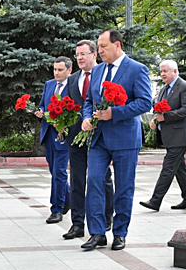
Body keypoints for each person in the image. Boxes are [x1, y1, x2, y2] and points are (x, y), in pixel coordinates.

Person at [81, 29, 152, 251]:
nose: (99, 51)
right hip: (98, 138)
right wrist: (86, 118)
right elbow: (89, 101)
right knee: (93, 182)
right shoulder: (98, 70)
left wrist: (115, 113)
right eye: (98, 47)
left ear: (117, 45)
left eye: (103, 47)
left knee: (123, 188)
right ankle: (97, 232)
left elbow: (144, 103)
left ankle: (120, 233)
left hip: (125, 139)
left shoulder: (136, 69)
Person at [63, 40, 114, 240]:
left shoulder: (104, 75)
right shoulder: (73, 78)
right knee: (76, 180)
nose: (80, 58)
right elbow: (69, 105)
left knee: (102, 179)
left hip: (100, 136)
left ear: (94, 55)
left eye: (84, 54)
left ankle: (106, 217)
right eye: (77, 55)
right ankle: (77, 224)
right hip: (76, 137)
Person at [140, 60, 186, 211]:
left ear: (175, 71)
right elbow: (160, 110)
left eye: (166, 71)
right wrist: (155, 120)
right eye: (161, 71)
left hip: (181, 135)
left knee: (168, 168)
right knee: (179, 168)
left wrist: (165, 117)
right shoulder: (164, 89)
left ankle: (155, 200)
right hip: (169, 136)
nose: (162, 74)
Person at [35, 56, 72, 224]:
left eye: (60, 70)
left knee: (59, 172)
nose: (56, 73)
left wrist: (65, 124)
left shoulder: (73, 86)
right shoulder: (49, 85)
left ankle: (56, 209)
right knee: (54, 171)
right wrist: (40, 111)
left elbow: (76, 110)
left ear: (69, 70)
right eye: (55, 69)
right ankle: (68, 199)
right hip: (49, 133)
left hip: (64, 135)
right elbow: (43, 104)